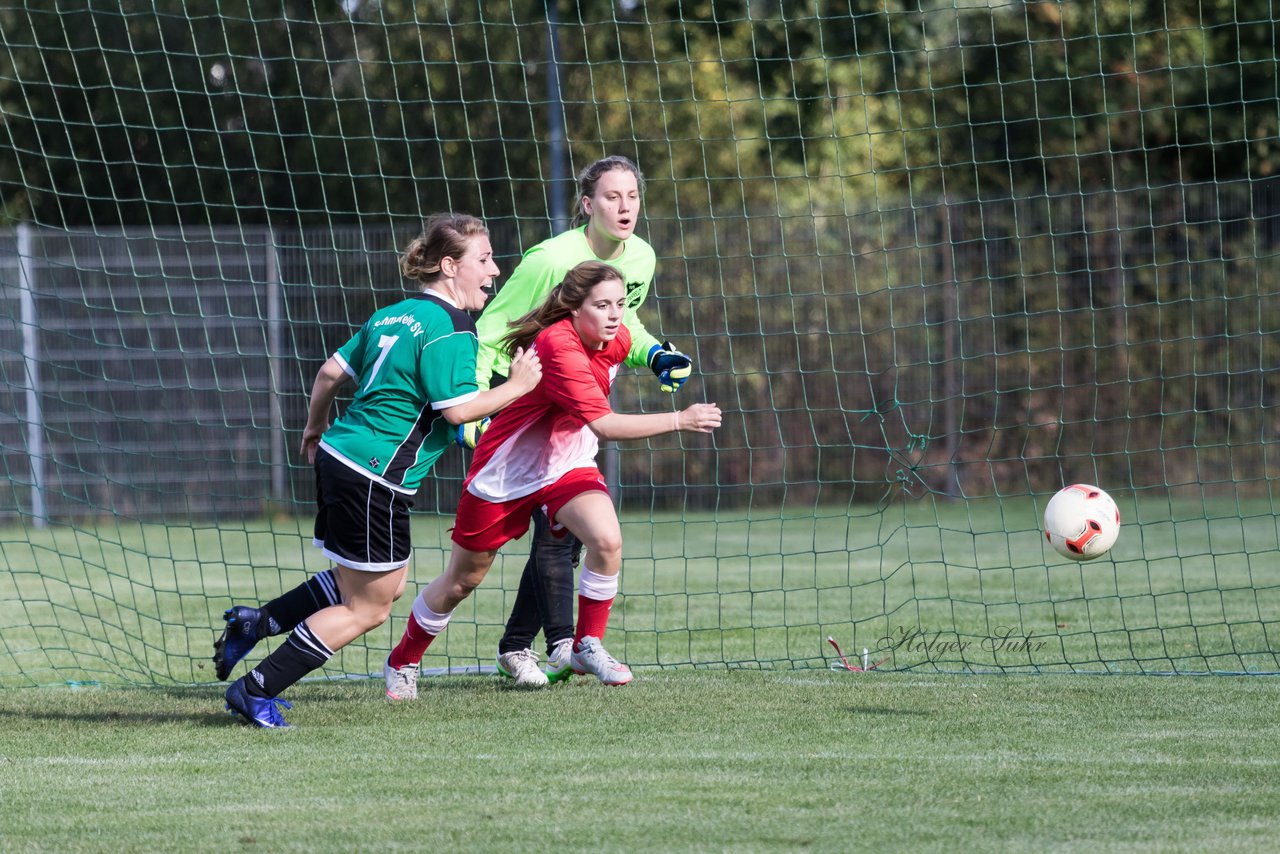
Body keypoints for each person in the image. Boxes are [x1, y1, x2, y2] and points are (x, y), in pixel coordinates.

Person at [216, 213, 542, 727]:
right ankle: (256, 689)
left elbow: (329, 372)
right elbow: (457, 410)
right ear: (450, 265)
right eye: (484, 260)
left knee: (378, 586)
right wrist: (518, 386)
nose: (495, 270)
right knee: (368, 609)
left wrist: (313, 429)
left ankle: (258, 623)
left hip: (340, 456)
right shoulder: (452, 328)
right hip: (375, 476)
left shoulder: (391, 314)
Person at [383, 261, 719, 694]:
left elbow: (633, 345)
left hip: (565, 465)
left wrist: (659, 358)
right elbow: (605, 426)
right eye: (602, 305)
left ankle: (585, 644)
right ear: (574, 309)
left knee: (607, 540)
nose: (615, 314)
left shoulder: (613, 335)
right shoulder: (559, 346)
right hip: (506, 473)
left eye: (620, 303)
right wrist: (681, 418)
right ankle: (403, 661)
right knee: (461, 581)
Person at [466, 155, 694, 687]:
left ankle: (535, 647)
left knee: (565, 534)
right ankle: (548, 645)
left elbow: (623, 321)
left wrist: (655, 354)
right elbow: (493, 326)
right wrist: (479, 403)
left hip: (570, 397)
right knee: (481, 562)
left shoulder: (641, 257)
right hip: (518, 404)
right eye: (612, 197)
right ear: (588, 205)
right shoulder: (550, 259)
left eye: (632, 196)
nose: (625, 206)